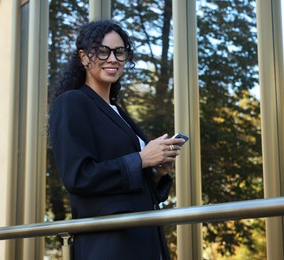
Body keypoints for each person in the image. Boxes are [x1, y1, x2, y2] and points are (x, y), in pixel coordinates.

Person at [49, 20, 186, 260]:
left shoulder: (119, 113)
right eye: (103, 51)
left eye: (119, 52)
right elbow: (78, 176)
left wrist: (156, 173)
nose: (112, 58)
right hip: (110, 244)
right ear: (83, 57)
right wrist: (141, 159)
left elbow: (127, 185)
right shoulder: (72, 102)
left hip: (145, 238)